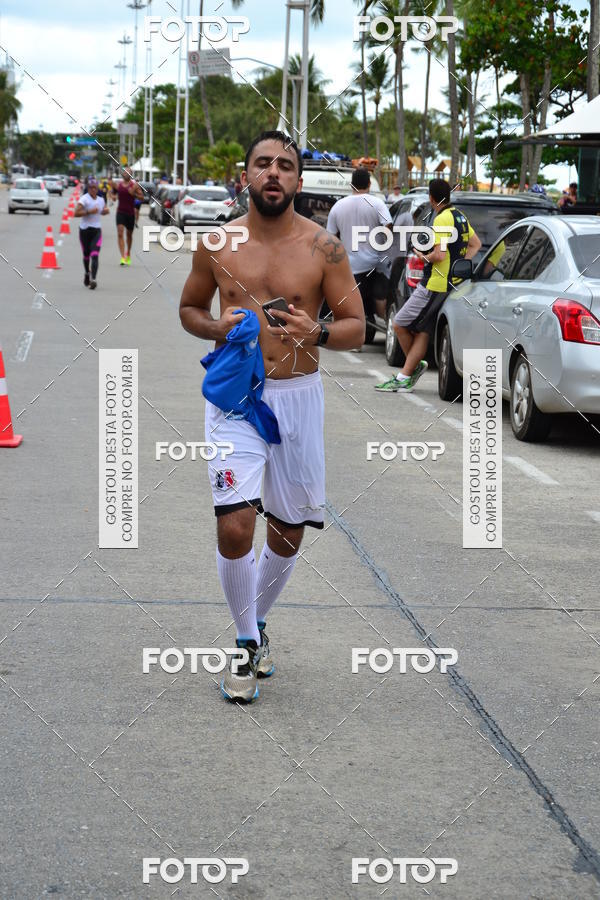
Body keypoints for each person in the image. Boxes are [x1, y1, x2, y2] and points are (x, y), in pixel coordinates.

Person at [179, 130, 364, 703]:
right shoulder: (216, 242)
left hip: (298, 395)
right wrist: (217, 326)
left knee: (285, 533)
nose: (274, 173)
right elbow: (189, 308)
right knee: (236, 523)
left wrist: (320, 331)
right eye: (264, 163)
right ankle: (242, 644)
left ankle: (257, 625)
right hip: (236, 397)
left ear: (299, 182)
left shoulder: (323, 248)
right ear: (247, 176)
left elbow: (358, 327)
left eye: (286, 165)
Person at [375, 178, 481, 392]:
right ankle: (406, 373)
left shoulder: (442, 219)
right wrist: (459, 266)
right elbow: (475, 244)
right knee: (423, 330)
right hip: (451, 283)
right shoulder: (460, 216)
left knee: (399, 323)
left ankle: (409, 372)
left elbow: (440, 254)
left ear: (432, 199)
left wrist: (424, 257)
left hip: (434, 283)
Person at [326, 167, 392, 333]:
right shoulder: (377, 203)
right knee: (379, 297)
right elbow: (388, 227)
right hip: (374, 264)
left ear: (351, 185)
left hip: (348, 265)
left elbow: (330, 238)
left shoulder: (338, 206)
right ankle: (387, 328)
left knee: (353, 304)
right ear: (369, 184)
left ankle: (355, 338)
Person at [73, 177, 109, 289]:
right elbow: (76, 213)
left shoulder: (101, 199)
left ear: (97, 188)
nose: (93, 190)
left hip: (96, 231)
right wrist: (89, 211)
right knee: (86, 256)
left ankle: (93, 279)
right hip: (84, 230)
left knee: (95, 255)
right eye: (91, 188)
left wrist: (105, 211)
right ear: (88, 188)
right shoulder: (84, 199)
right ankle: (87, 273)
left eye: (95, 188)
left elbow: (103, 210)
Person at [110, 168, 143, 266]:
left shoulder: (134, 186)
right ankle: (123, 257)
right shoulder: (118, 185)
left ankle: (128, 252)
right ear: (122, 173)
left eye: (128, 172)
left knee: (129, 235)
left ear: (131, 174)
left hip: (130, 213)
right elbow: (113, 193)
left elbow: (142, 198)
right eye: (125, 171)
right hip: (120, 212)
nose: (126, 173)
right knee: (120, 233)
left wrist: (135, 194)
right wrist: (113, 197)